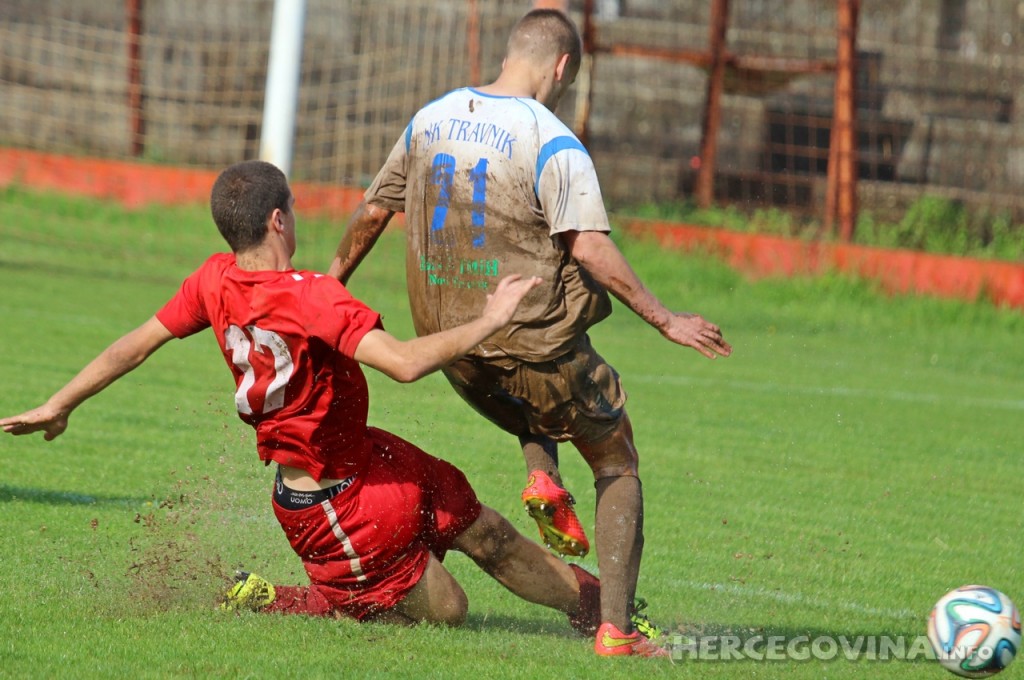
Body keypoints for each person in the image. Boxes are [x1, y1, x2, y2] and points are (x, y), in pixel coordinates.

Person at [0, 159, 609, 635]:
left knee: (488, 532)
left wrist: (61, 403)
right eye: (292, 207)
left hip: (369, 459)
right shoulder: (312, 296)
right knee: (449, 611)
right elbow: (401, 363)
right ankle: (290, 599)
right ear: (278, 220)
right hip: (332, 508)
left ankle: (605, 612)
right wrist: (490, 319)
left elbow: (133, 345)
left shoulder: (213, 279)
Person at [327, 8, 732, 657]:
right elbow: (593, 248)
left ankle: (541, 472)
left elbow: (375, 211)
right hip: (530, 355)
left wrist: (328, 287)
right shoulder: (551, 139)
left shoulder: (429, 117)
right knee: (616, 461)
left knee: (532, 385)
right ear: (563, 66)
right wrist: (665, 317)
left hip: (453, 352)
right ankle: (618, 632)